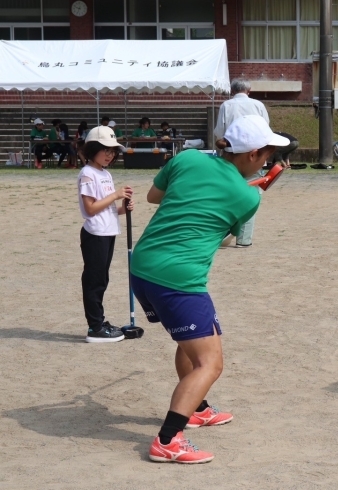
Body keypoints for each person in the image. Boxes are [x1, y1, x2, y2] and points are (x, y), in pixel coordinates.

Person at [129, 115, 289, 463]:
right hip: (178, 279)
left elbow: (154, 196)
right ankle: (168, 440)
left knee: (195, 339)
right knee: (210, 364)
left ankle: (196, 408)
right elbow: (228, 236)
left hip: (142, 266)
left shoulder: (187, 159)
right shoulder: (248, 199)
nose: (267, 162)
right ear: (251, 154)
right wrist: (251, 191)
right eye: (266, 155)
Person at [77, 126, 134, 343]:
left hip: (108, 231)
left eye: (113, 151)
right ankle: (95, 328)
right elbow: (90, 209)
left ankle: (99, 321)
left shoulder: (105, 173)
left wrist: (123, 207)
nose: (110, 155)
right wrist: (116, 195)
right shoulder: (87, 174)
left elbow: (106, 208)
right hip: (95, 234)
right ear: (92, 150)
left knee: (102, 278)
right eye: (105, 150)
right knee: (94, 281)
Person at [215, 79, 272, 249]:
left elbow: (219, 131)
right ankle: (244, 238)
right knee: (251, 194)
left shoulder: (226, 105)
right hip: (254, 154)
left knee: (227, 194)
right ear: (249, 90)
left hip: (231, 154)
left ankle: (225, 233)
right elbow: (266, 129)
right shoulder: (258, 105)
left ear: (232, 90)